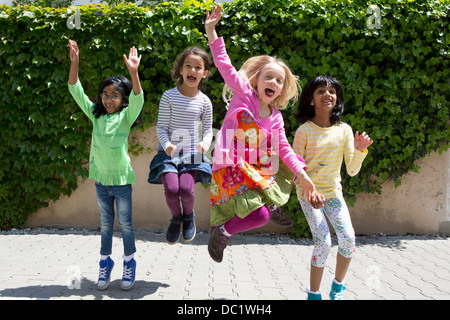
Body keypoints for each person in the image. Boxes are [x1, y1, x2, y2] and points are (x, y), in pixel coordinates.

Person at [205, 5, 324, 263]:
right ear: (257, 80)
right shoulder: (243, 95)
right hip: (230, 164)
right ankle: (248, 215)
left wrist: (303, 176)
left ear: (281, 90)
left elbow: (284, 150)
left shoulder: (276, 118)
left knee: (267, 200)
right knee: (261, 211)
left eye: (278, 81)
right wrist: (211, 32)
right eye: (268, 77)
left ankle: (244, 218)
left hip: (254, 167)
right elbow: (224, 65)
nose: (273, 83)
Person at [68, 39, 144, 291]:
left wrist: (133, 72)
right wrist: (75, 62)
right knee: (105, 224)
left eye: (114, 95)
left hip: (121, 182)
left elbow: (138, 99)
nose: (109, 99)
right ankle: (104, 262)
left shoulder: (125, 117)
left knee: (126, 224)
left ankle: (129, 262)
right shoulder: (95, 115)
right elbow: (75, 89)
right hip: (101, 181)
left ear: (121, 99)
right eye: (105, 95)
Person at [293, 75, 373, 300]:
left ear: (337, 99)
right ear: (311, 100)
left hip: (333, 195)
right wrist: (309, 190)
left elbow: (352, 170)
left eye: (332, 91)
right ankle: (314, 294)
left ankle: (338, 286)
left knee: (348, 239)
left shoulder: (345, 130)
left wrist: (359, 150)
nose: (327, 94)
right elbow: (296, 168)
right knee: (324, 242)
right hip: (309, 195)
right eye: (320, 91)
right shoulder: (304, 131)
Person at [147, 46, 213, 245]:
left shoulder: (205, 102)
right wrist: (166, 144)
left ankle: (189, 216)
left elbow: (208, 130)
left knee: (186, 189)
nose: (192, 71)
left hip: (192, 153)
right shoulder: (169, 96)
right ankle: (176, 218)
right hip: (170, 152)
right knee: (172, 189)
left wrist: (205, 142)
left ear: (204, 73)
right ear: (181, 70)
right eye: (188, 66)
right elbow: (162, 127)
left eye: (198, 67)